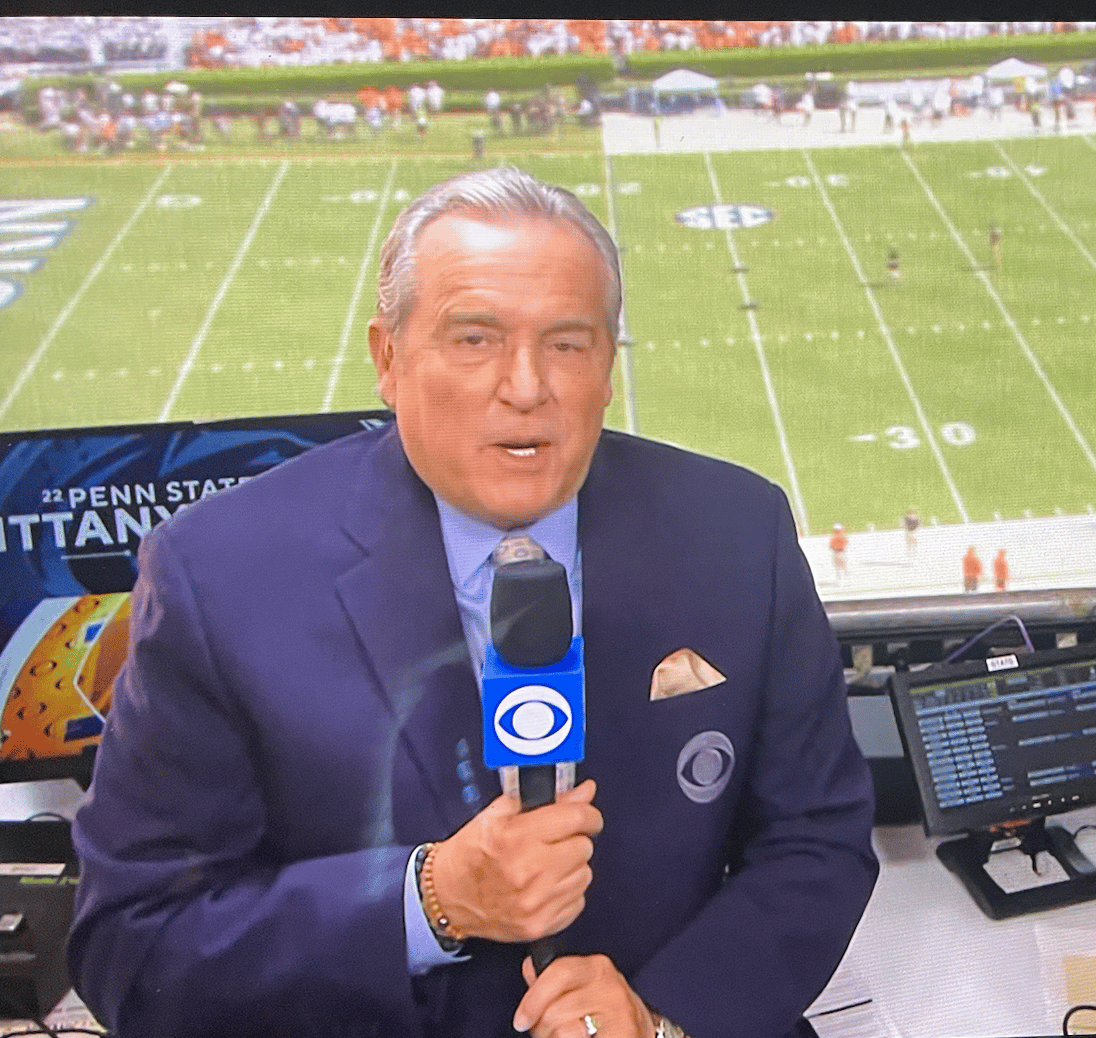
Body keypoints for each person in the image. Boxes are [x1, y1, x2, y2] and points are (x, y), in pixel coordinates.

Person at [69, 167, 879, 1038]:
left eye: (567, 343)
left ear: (609, 365)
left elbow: (817, 841)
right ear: (388, 358)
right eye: (474, 339)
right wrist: (431, 900)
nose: (525, 386)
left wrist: (661, 1016)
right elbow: (133, 945)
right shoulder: (220, 574)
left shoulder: (738, 533)